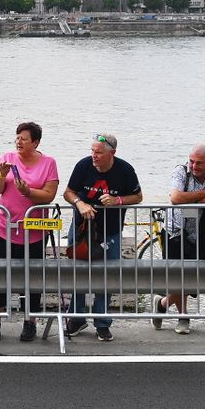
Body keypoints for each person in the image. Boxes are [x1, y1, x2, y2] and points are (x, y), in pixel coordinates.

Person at [62, 133, 141, 342]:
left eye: (98, 152)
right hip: (81, 229)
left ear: (112, 153)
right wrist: (80, 203)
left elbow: (138, 196)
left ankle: (102, 322)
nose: (94, 156)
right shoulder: (83, 165)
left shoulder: (125, 170)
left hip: (110, 231)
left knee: (107, 276)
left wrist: (118, 200)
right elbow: (68, 192)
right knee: (77, 273)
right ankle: (76, 318)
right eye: (92, 151)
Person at [0, 122, 60, 342]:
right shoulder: (6, 157)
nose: (19, 141)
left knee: (33, 276)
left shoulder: (49, 163)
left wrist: (27, 191)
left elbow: (49, 195)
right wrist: (1, 176)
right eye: (17, 137)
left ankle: (30, 321)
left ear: (35, 142)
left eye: (24, 138)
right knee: (0, 273)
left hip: (34, 231)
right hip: (4, 228)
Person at [155, 144, 205, 335]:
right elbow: (175, 197)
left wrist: (194, 200)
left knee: (203, 271)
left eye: (199, 163)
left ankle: (163, 303)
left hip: (204, 225)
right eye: (191, 161)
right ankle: (183, 316)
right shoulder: (180, 170)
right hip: (177, 228)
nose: (194, 166)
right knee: (180, 274)